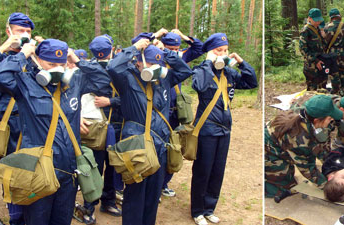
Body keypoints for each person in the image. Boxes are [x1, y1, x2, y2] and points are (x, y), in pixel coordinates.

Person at [0, 38, 111, 225]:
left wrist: (76, 59)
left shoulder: (73, 84)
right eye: (51, 64)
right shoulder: (24, 83)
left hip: (69, 170)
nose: (57, 69)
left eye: (61, 64)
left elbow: (103, 80)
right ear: (37, 60)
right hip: (38, 171)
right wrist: (23, 54)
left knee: (62, 220)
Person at [107, 32, 193, 225]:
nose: (155, 69)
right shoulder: (127, 80)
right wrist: (136, 48)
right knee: (135, 197)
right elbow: (113, 66)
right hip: (137, 147)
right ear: (138, 62)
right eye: (151, 64)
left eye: (158, 65)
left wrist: (166, 53)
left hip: (160, 145)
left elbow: (185, 71)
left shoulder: (165, 79)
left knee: (153, 197)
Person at [190, 33, 257, 225]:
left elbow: (251, 82)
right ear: (210, 52)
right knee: (203, 171)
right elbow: (200, 86)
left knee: (217, 172)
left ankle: (209, 208)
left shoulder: (229, 73)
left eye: (226, 50)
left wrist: (241, 62)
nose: (223, 53)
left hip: (225, 130)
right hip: (207, 130)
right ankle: (197, 211)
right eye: (219, 50)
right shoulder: (201, 71)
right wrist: (208, 63)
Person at [0, 12, 35, 225]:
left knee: (33, 170)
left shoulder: (30, 57)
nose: (24, 35)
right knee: (12, 172)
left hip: (32, 125)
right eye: (20, 30)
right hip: (10, 126)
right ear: (8, 31)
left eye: (28, 31)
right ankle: (15, 216)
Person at [77, 34, 122, 225]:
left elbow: (131, 98)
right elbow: (74, 96)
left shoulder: (120, 70)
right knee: (94, 168)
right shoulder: (86, 72)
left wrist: (110, 101)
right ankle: (89, 205)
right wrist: (77, 116)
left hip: (117, 127)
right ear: (111, 50)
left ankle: (108, 201)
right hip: (95, 129)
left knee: (113, 167)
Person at [265, 95, 343, 199]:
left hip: (282, 142)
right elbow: (307, 169)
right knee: (283, 187)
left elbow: (320, 147)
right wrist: (327, 185)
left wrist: (331, 165)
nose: (332, 119)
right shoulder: (298, 138)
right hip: (269, 150)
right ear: (316, 121)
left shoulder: (308, 113)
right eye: (329, 118)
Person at [158, 29, 204, 198]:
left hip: (176, 112)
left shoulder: (181, 57)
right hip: (160, 112)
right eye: (169, 48)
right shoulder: (156, 57)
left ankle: (164, 184)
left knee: (174, 147)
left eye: (176, 48)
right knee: (158, 149)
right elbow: (137, 45)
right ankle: (155, 184)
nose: (173, 51)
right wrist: (156, 35)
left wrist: (184, 36)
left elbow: (199, 48)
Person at [323, 8, 344, 95]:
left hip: (332, 55)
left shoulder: (327, 27)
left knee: (334, 74)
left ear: (331, 18)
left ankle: (336, 93)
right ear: (339, 16)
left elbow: (324, 43)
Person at [300, 8, 326, 91]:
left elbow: (321, 45)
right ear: (309, 18)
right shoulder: (306, 30)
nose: (318, 22)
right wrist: (315, 60)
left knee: (322, 88)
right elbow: (303, 49)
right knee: (312, 90)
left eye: (319, 20)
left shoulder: (318, 29)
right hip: (311, 65)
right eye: (316, 20)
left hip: (321, 62)